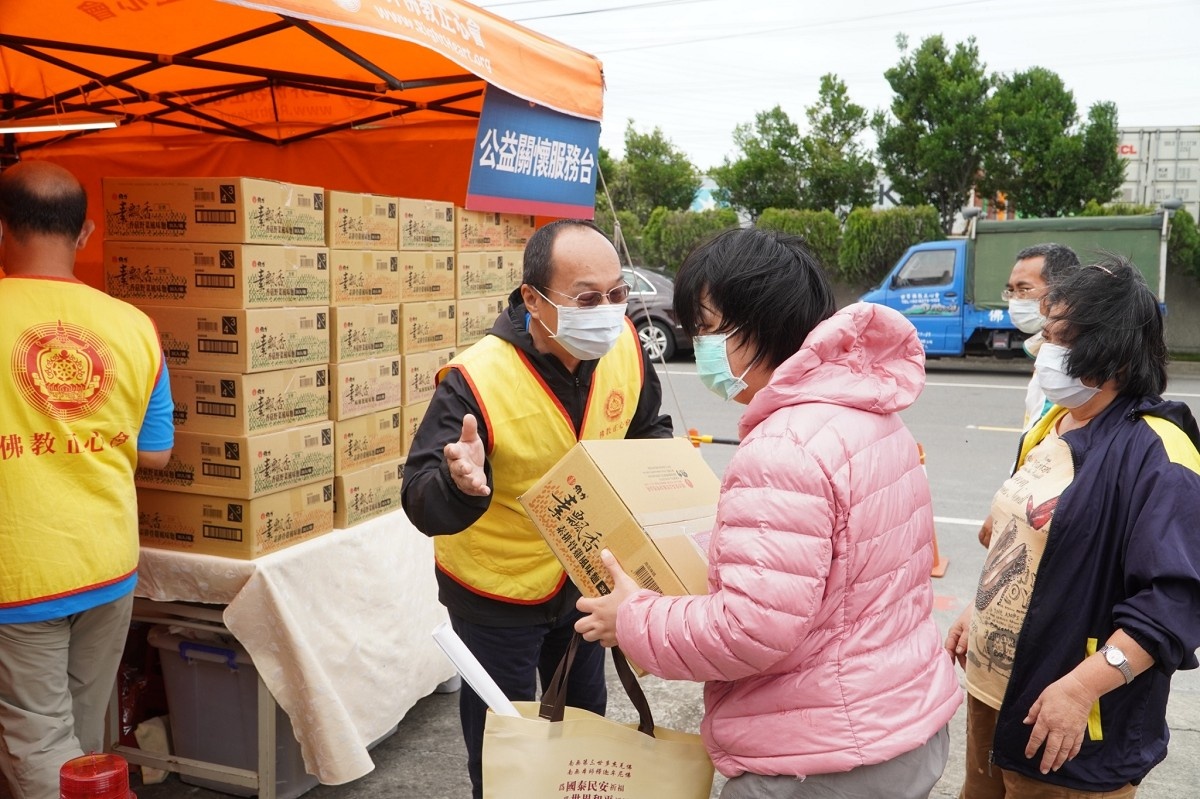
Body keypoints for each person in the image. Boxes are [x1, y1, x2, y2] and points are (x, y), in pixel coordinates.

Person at [575, 227, 962, 799]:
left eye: (707, 328)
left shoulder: (784, 445)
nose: (701, 343)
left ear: (761, 323)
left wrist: (631, 618)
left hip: (818, 757)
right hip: (898, 723)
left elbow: (751, 629)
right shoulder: (869, 413)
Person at [400, 218, 673, 799]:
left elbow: (647, 425)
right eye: (588, 298)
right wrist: (461, 485)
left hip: (582, 577)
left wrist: (655, 478)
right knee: (505, 742)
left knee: (584, 724)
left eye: (618, 294)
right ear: (533, 298)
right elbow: (419, 495)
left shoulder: (625, 346)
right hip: (495, 590)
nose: (609, 310)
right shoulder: (476, 377)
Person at [945, 256, 1200, 797]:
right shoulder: (1052, 423)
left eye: (1060, 336)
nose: (1043, 348)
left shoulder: (1159, 452)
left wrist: (1081, 689)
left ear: (1108, 351)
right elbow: (1024, 538)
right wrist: (980, 605)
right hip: (997, 696)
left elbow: (1173, 604)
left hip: (1070, 724)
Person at [0, 161, 174, 799]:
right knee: (80, 731)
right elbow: (155, 453)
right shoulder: (135, 326)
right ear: (86, 234)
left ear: (1, 229)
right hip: (106, 560)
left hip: (19, 572)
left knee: (40, 740)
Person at [979, 243, 1081, 547]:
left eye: (1024, 289)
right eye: (1010, 291)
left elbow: (1049, 448)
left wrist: (1008, 506)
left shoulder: (1069, 367)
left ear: (1061, 290)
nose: (1015, 300)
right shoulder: (1045, 354)